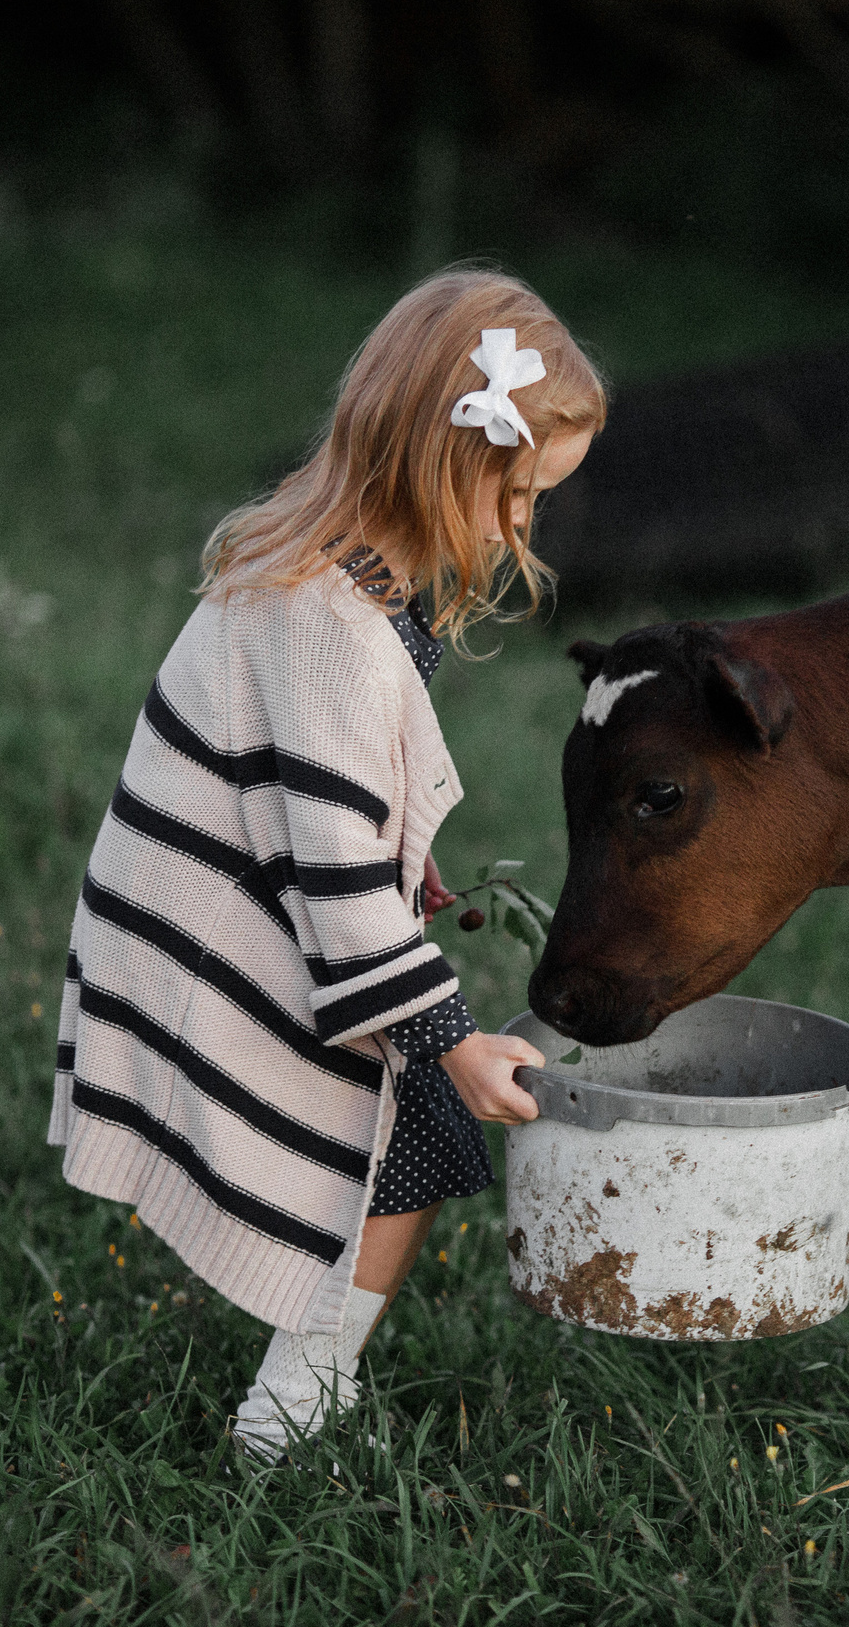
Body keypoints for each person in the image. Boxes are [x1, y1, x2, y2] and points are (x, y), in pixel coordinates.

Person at [46, 267, 605, 1457]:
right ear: (439, 460)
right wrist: (452, 1038)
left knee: (404, 1122)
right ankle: (290, 1411)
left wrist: (409, 869)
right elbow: (338, 892)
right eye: (514, 496)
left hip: (230, 899)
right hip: (214, 930)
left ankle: (308, 1378)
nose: (520, 532)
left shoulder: (340, 569)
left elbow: (315, 804)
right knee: (414, 1129)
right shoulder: (332, 627)